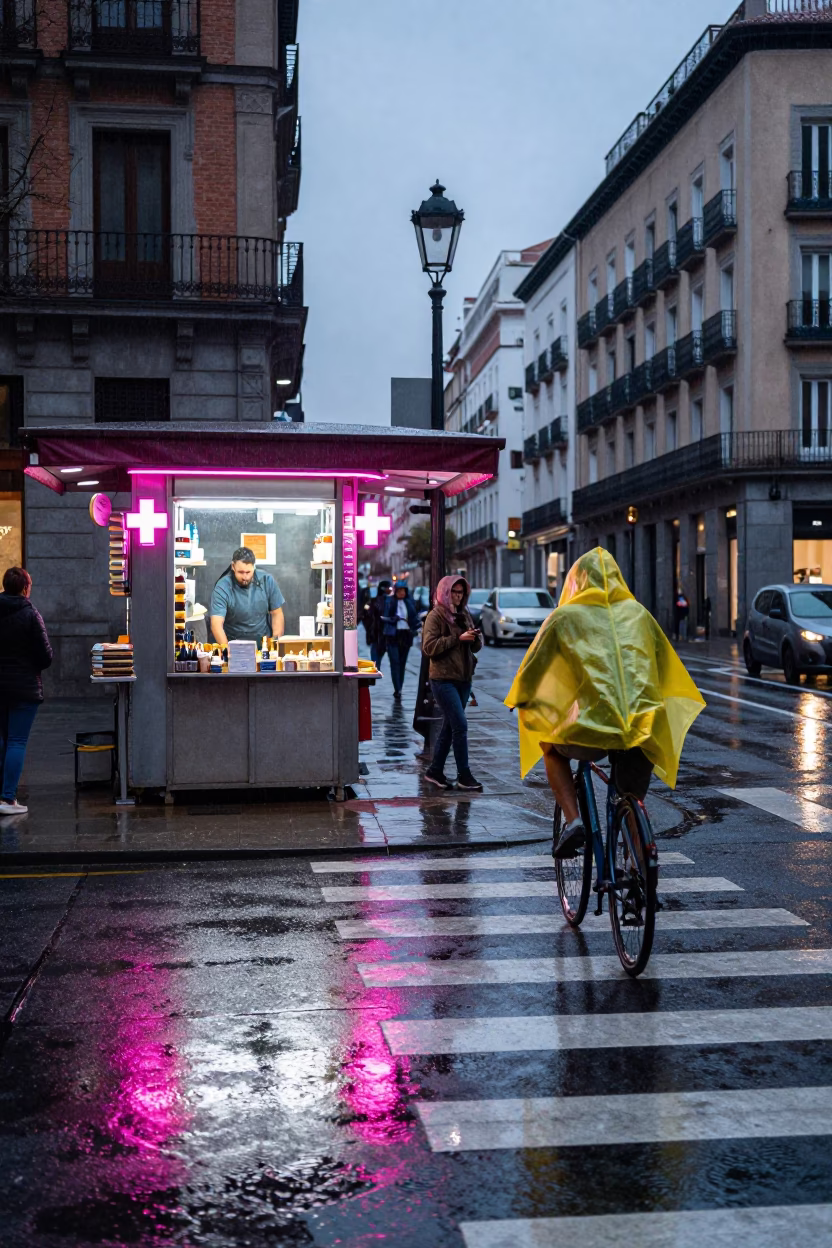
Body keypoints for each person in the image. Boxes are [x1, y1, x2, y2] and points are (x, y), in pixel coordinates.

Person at [505, 548, 704, 858]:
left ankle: (574, 821)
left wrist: (519, 698)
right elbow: (665, 666)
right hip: (643, 725)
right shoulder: (638, 613)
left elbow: (533, 669)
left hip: (591, 728)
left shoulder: (564, 617)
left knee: (550, 748)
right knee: (631, 797)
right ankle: (638, 865)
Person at [421, 576, 484, 791]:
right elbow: (429, 647)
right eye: (454, 592)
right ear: (445, 592)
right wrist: (458, 639)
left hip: (463, 678)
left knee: (450, 726)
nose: (458, 596)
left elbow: (475, 647)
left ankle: (435, 771)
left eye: (461, 592)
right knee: (460, 725)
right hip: (443, 679)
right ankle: (464, 775)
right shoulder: (436, 615)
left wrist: (474, 638)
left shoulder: (464, 614)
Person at [0, 566, 53, 815]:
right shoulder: (31, 615)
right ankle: (7, 798)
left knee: (2, 740)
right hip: (23, 688)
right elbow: (45, 657)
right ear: (25, 588)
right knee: (16, 741)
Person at [210, 546, 285, 647]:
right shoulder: (223, 587)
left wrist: (275, 645)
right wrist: (227, 650)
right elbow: (216, 624)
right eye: (241, 572)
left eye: (248, 572)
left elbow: (277, 614)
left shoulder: (267, 580)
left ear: (254, 567)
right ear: (233, 566)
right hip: (233, 642)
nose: (245, 577)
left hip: (263, 643)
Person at [382, 583, 419, 700]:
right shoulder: (390, 602)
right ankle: (397, 688)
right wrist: (393, 619)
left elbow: (414, 618)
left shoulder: (409, 602)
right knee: (395, 662)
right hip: (393, 635)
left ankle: (400, 688)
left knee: (402, 663)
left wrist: (416, 627)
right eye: (399, 591)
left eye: (403, 591)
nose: (401, 593)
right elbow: (384, 617)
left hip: (406, 635)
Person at [363, 579, 392, 669]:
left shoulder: (376, 601)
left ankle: (376, 671)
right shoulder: (378, 601)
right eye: (388, 588)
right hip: (378, 634)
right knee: (376, 659)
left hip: (379, 634)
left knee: (376, 660)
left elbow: (366, 614)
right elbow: (367, 615)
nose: (390, 590)